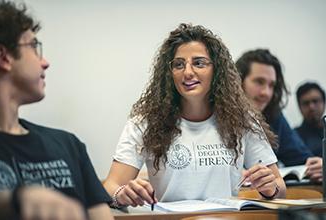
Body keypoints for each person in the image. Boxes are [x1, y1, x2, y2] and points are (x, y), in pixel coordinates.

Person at [103, 23, 286, 208]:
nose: (188, 72)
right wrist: (121, 194)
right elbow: (111, 185)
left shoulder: (242, 119)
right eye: (179, 64)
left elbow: (280, 186)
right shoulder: (145, 122)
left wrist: (270, 188)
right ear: (169, 73)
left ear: (217, 71)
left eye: (199, 63)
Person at [0, 1, 113, 219]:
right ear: (4, 57)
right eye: (33, 47)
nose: (45, 62)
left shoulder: (69, 145)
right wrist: (16, 201)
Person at [236, 49, 322, 182]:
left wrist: (318, 167)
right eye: (259, 82)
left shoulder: (274, 117)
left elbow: (301, 159)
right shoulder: (211, 115)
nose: (266, 93)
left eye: (271, 85)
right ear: (238, 80)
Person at [295, 82, 326, 157]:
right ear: (299, 107)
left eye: (315, 101)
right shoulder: (293, 137)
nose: (311, 107)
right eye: (306, 103)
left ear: (324, 103)